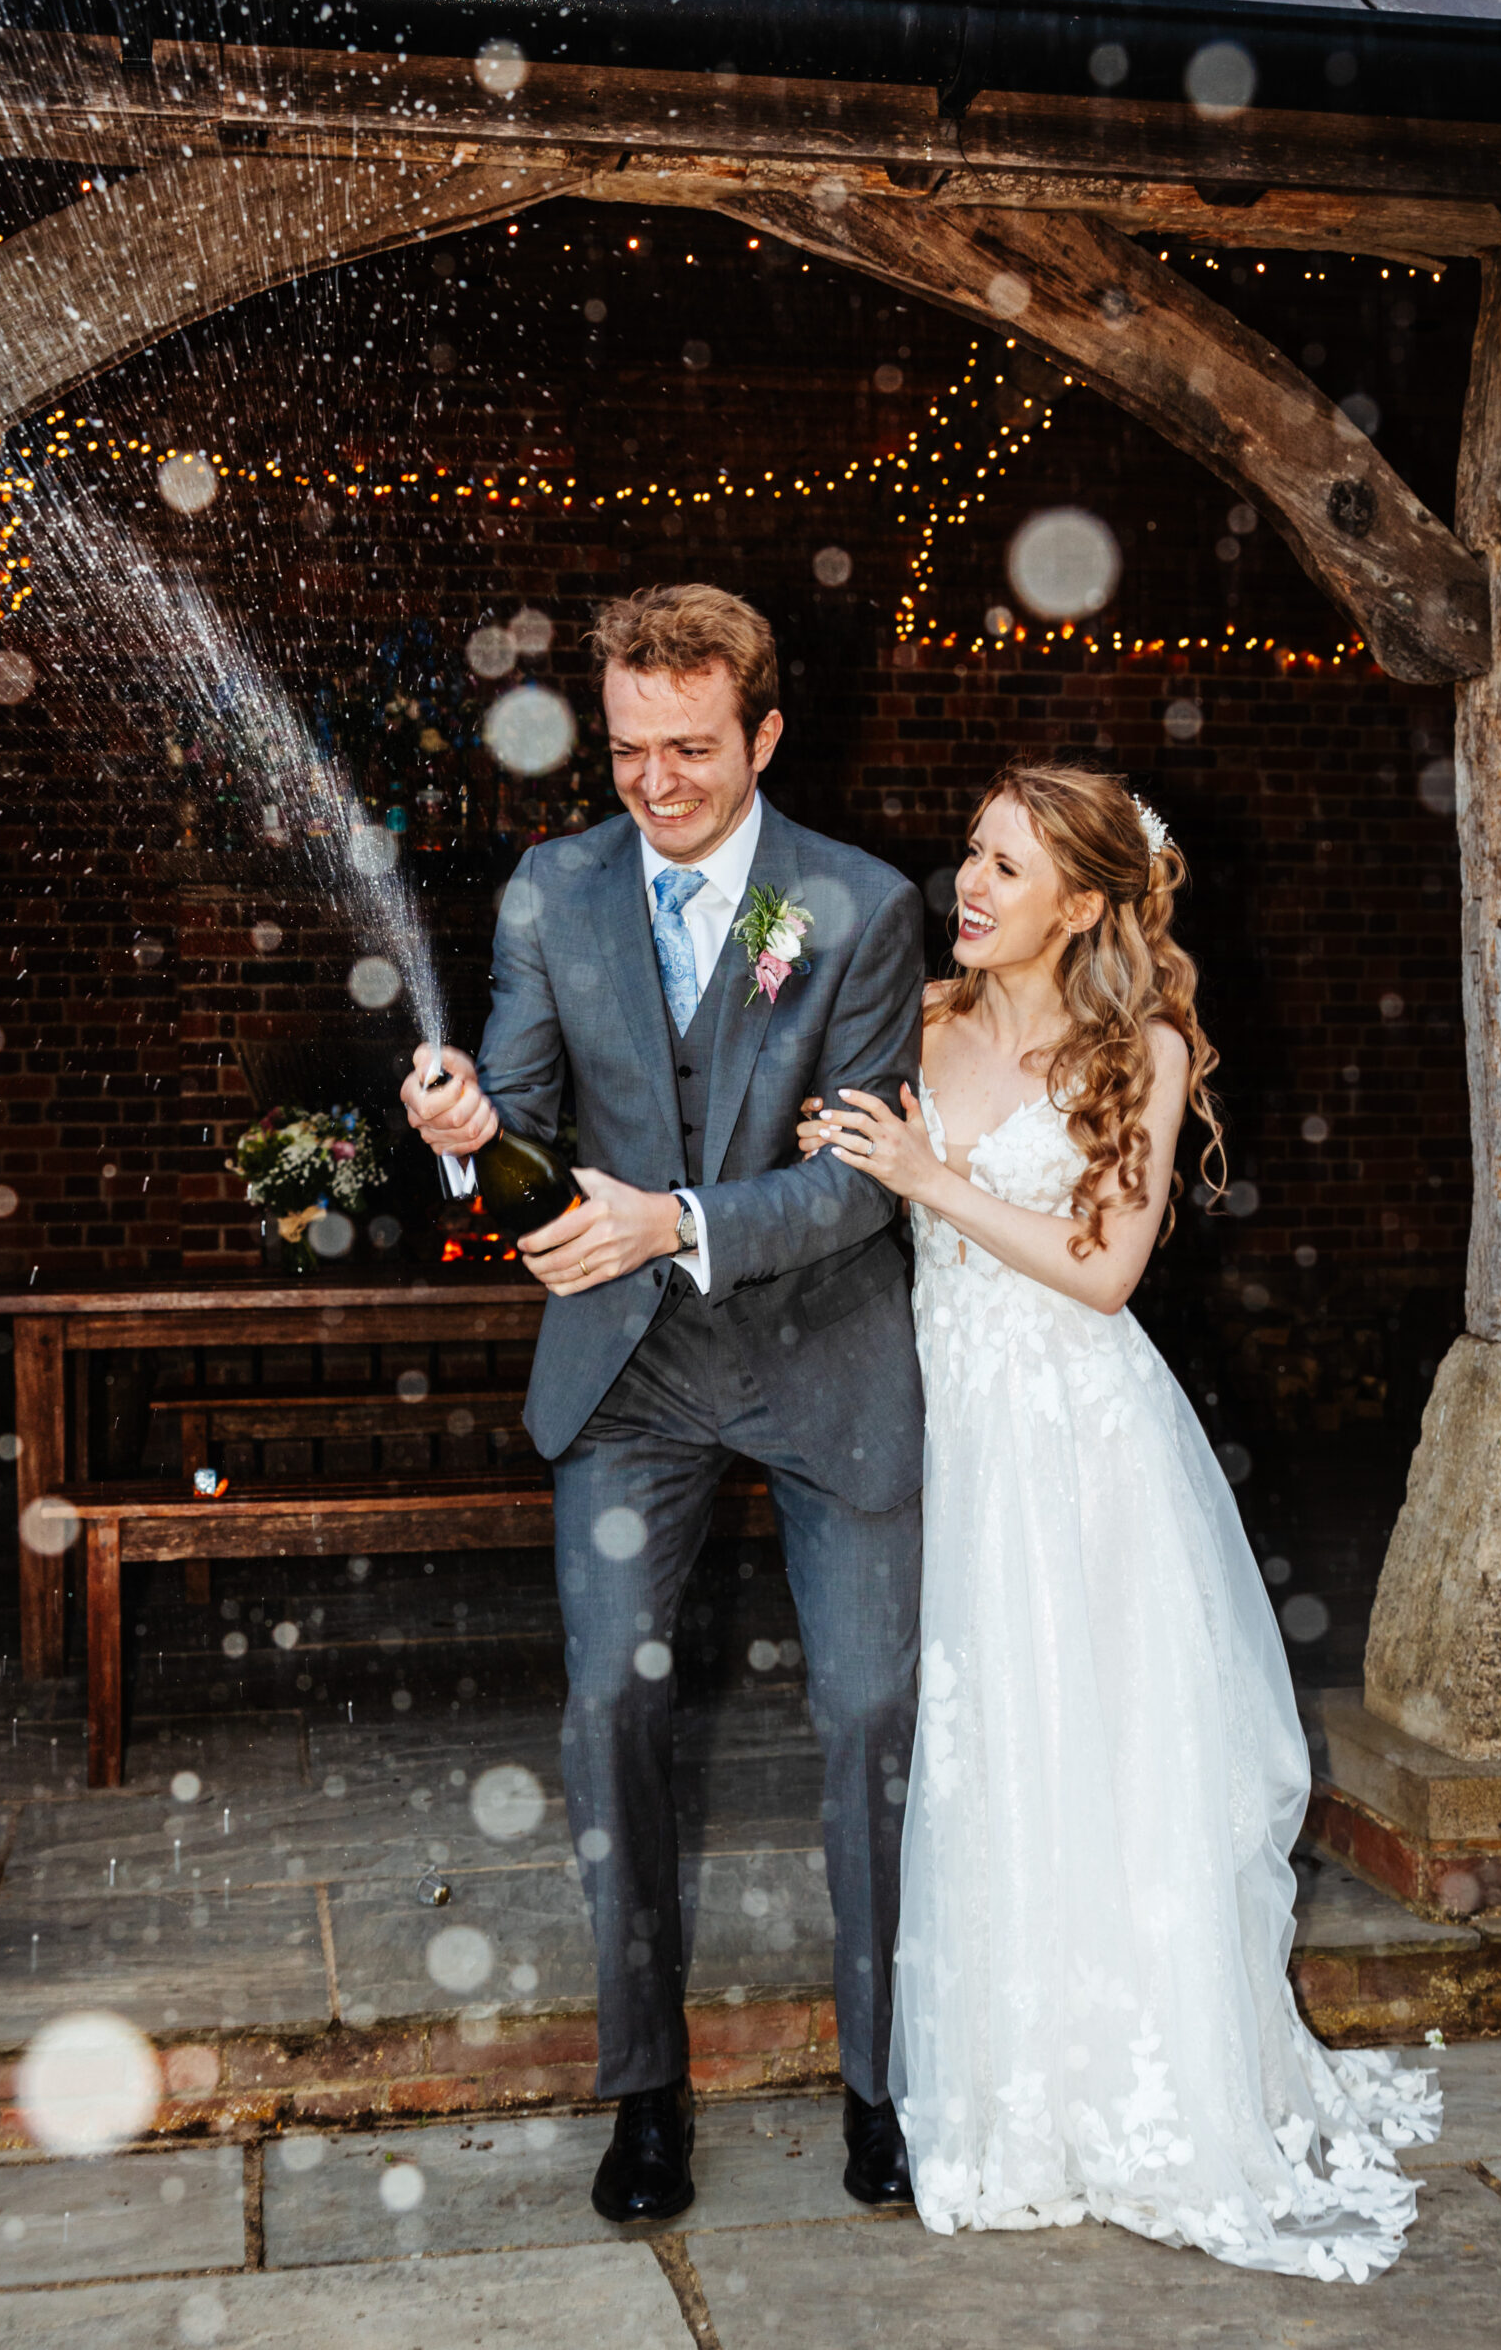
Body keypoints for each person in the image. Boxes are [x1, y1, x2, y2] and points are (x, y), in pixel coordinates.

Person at [797, 759, 1440, 2282]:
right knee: (988, 1752)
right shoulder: (926, 1025)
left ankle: (1141, 2090)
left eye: (1007, 868)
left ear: (1081, 900)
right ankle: (1012, 2094)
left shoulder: (1133, 1049)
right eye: (970, 852)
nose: (966, 882)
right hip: (947, 1435)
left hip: (1076, 1443)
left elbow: (1100, 1271)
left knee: (1102, 1754)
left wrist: (925, 1181)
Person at [401, 584, 926, 2223]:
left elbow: (856, 1187)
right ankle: (645, 2095)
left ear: (764, 733)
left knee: (868, 1719)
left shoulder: (854, 903)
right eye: (629, 749)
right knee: (610, 1714)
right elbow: (526, 1125)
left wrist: (680, 1221)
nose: (655, 782)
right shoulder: (552, 894)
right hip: (629, 1377)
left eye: (691, 749)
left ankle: (886, 2082)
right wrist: (467, 1130)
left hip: (824, 1357)